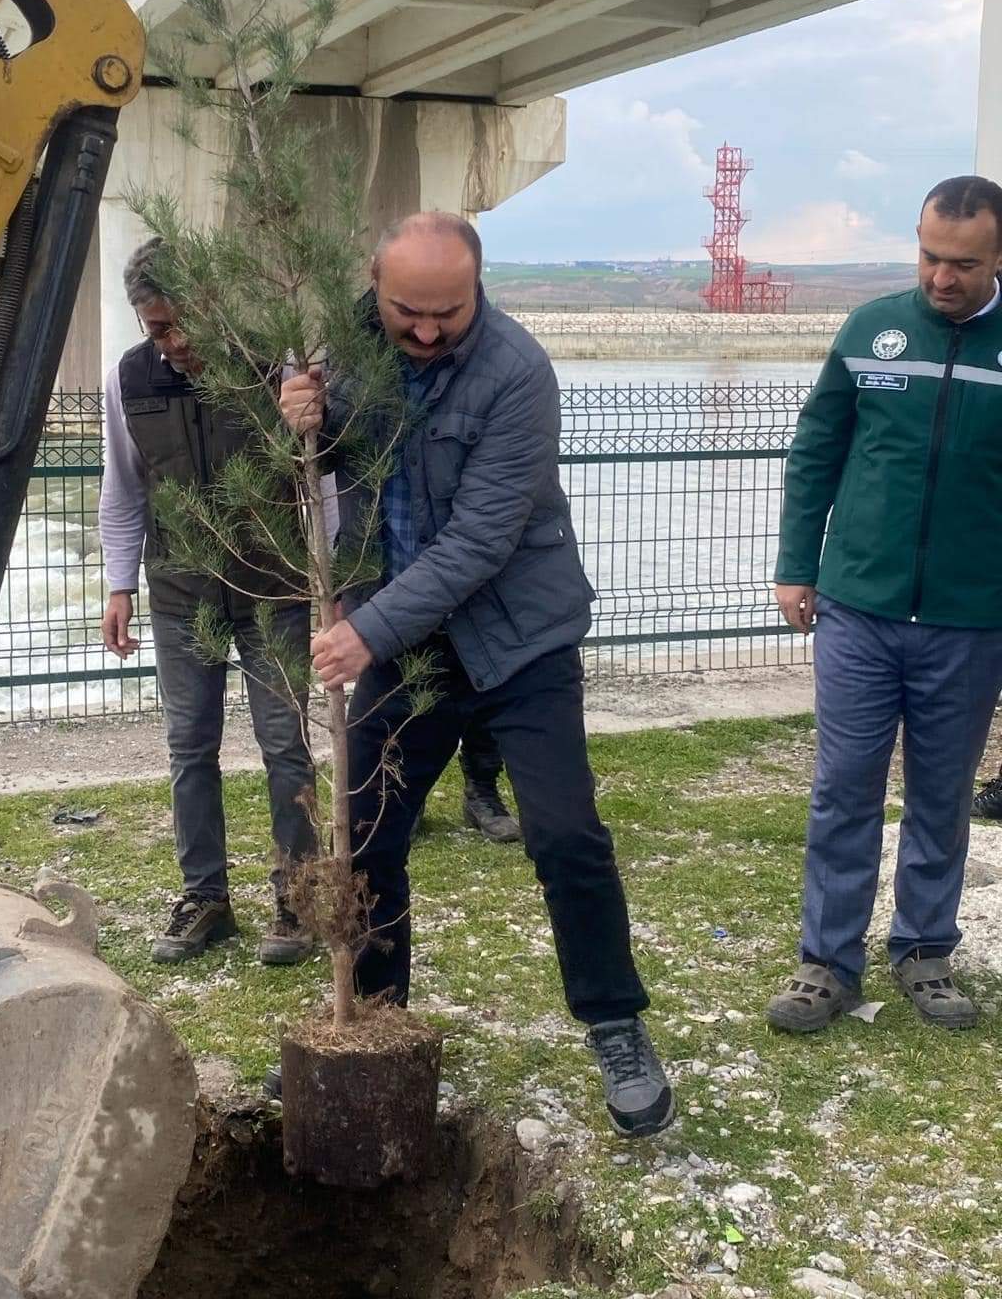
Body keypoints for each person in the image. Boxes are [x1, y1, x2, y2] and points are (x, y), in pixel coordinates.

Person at [280, 211, 673, 1139]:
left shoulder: (518, 374)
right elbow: (341, 464)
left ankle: (615, 1026)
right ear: (376, 285)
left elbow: (481, 540)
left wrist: (365, 628)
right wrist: (311, 418)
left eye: (446, 313)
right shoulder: (352, 348)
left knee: (567, 835)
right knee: (367, 836)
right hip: (408, 648)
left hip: (518, 641)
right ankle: (373, 1021)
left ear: (478, 288)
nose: (423, 329)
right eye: (406, 309)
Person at [769, 175, 1002, 1034]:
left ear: (998, 257)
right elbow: (816, 450)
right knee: (844, 787)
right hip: (859, 609)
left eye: (965, 264)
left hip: (972, 620)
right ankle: (827, 963)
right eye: (931, 256)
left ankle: (925, 952)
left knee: (941, 794)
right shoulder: (873, 329)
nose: (943, 277)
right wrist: (798, 566)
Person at [100, 238, 318, 967]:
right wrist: (120, 584)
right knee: (188, 748)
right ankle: (206, 898)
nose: (177, 340)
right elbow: (125, 490)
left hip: (272, 589)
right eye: (159, 328)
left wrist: (336, 589)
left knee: (285, 745)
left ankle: (301, 896)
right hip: (179, 592)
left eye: (185, 319)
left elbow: (321, 483)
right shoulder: (126, 380)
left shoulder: (274, 369)